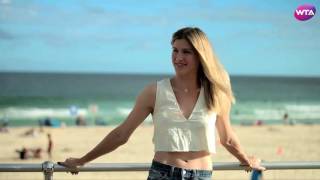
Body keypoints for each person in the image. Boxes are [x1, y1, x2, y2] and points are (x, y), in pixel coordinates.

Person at [58, 27, 265, 179]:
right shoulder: (154, 92)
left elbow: (227, 137)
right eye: (175, 50)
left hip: (202, 175)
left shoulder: (215, 92)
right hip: (163, 174)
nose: (178, 57)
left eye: (186, 52)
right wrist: (82, 160)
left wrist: (247, 159)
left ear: (201, 56)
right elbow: (122, 134)